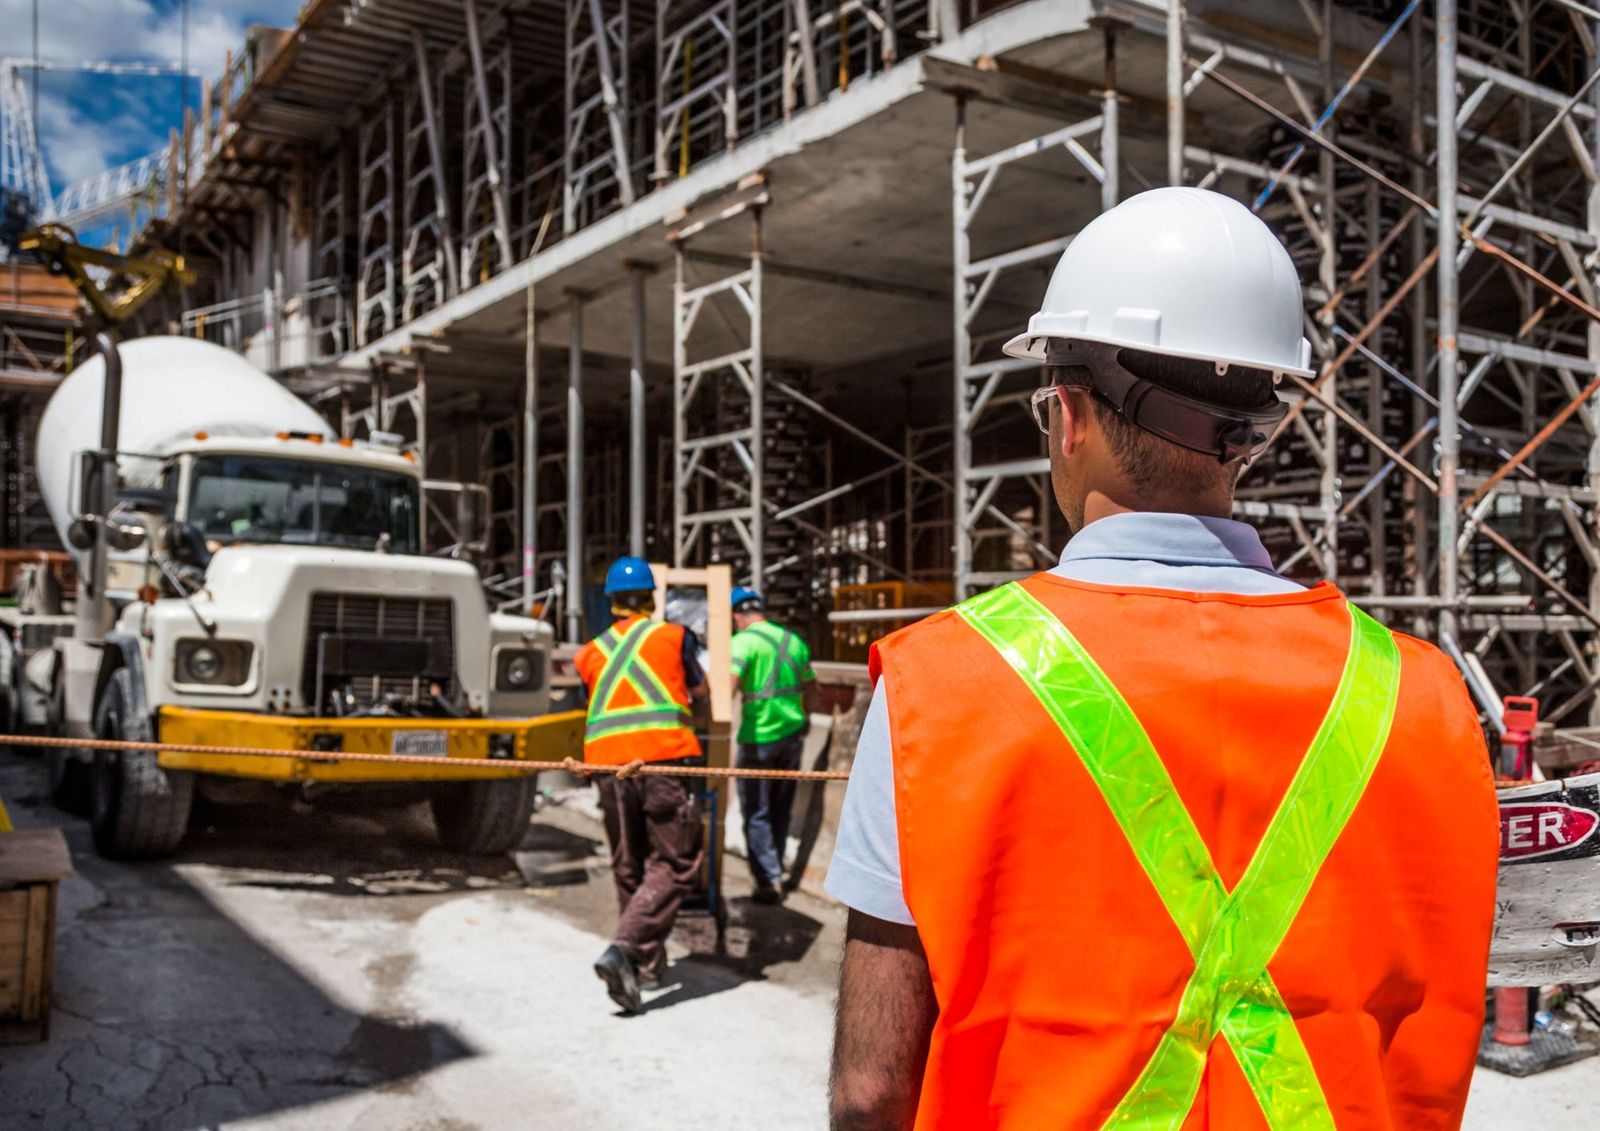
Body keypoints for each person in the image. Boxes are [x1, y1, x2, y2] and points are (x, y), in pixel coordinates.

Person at [825, 187, 1498, 1129]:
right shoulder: (1418, 692)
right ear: (1249, 434)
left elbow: (870, 1090)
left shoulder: (938, 686)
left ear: (1067, 416)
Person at [574, 556, 709, 1015]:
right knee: (677, 862)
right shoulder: (674, 637)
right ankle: (626, 949)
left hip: (608, 769)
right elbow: (701, 691)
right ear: (652, 598)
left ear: (611, 601)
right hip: (661, 762)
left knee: (629, 863)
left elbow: (595, 704)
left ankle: (644, 968)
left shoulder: (588, 653)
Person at [729, 585, 816, 904]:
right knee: (781, 808)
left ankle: (768, 882)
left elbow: (729, 685)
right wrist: (804, 718)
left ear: (736, 616)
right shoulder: (793, 641)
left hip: (758, 739)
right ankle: (775, 869)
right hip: (792, 738)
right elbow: (811, 688)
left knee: (756, 811)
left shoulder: (742, 642)